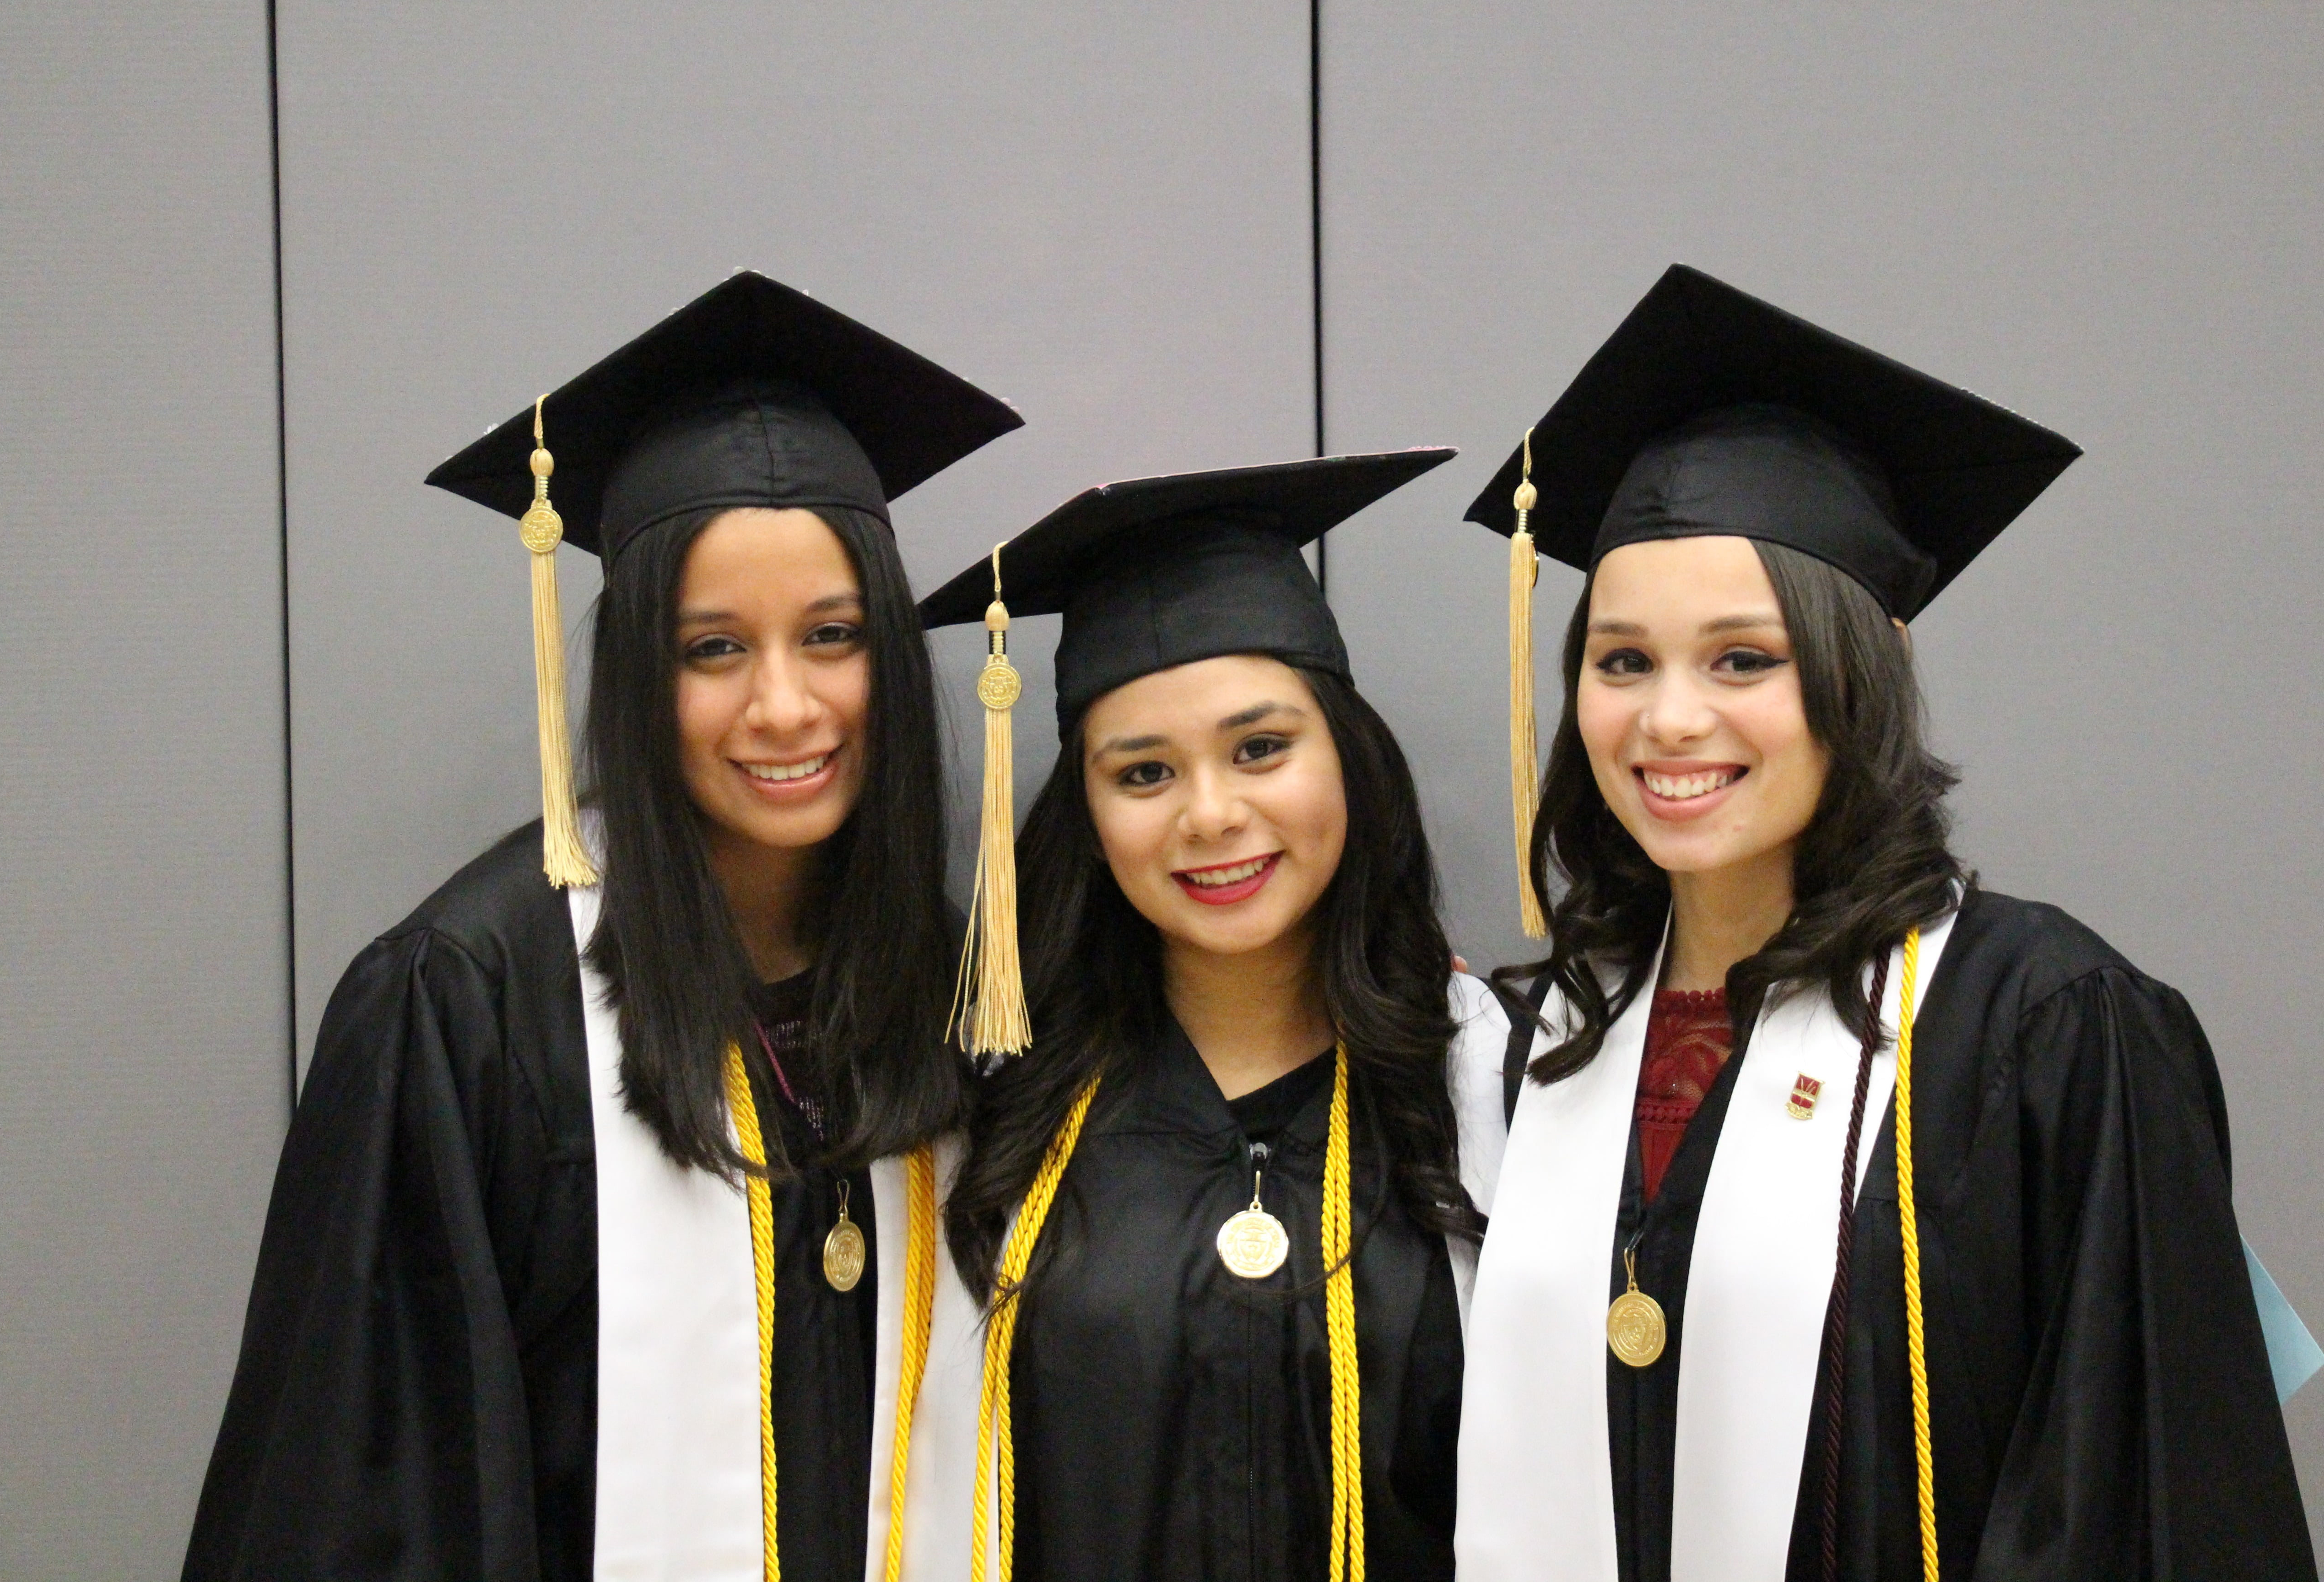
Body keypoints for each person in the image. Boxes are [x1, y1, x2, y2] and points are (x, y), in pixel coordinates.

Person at [1449, 263, 2315, 1582]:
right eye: (1622, 661)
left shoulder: (2041, 1025)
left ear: (1866, 667)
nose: (1670, 719)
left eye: (1743, 659)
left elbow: (2142, 1491)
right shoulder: (1532, 1045)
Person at [184, 272, 1020, 1582]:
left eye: (834, 634)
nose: (787, 705)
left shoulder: (945, 984)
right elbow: (359, 1502)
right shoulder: (472, 1002)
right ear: (635, 667)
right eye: (713, 650)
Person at [922, 452, 1515, 1582]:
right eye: (1143, 774)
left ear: (1348, 753)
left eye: (1261, 749)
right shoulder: (992, 1112)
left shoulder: (1493, 1081)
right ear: (1086, 812)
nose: (1210, 813)